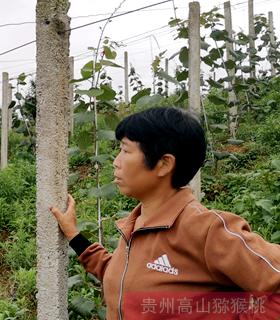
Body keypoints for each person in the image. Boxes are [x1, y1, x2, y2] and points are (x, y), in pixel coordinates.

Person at [50, 107, 280, 319]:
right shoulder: (138, 223)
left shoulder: (207, 229)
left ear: (164, 164)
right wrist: (74, 236)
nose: (116, 162)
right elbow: (121, 276)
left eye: (125, 151)